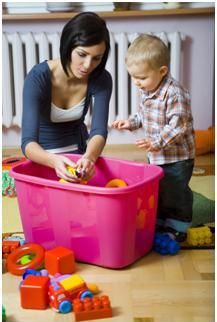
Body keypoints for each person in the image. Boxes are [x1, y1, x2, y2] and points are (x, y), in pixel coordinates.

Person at [112, 34, 195, 242]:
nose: (137, 83)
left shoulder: (175, 93)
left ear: (162, 71)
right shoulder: (149, 89)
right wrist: (130, 123)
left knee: (175, 189)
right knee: (158, 187)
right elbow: (144, 115)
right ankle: (160, 219)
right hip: (156, 154)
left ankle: (179, 224)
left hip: (177, 157)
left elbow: (178, 127)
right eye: (133, 77)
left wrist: (155, 142)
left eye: (141, 78)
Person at [22, 12, 112, 182]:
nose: (88, 65)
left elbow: (99, 131)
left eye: (97, 58)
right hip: (43, 159)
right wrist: (53, 161)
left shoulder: (101, 78)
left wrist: (89, 158)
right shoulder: (38, 77)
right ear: (68, 46)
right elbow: (28, 143)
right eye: (82, 54)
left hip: (79, 155)